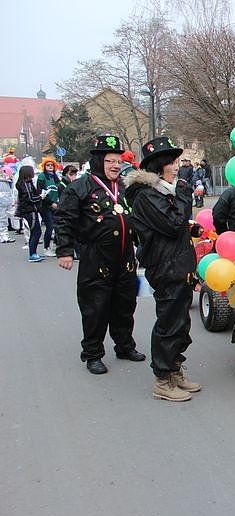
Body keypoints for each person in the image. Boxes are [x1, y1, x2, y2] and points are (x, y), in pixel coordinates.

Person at [54, 134, 145, 375]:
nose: (115, 165)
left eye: (118, 160)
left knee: (125, 305)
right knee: (95, 307)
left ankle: (124, 345)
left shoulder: (126, 187)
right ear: (97, 162)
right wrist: (64, 251)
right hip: (96, 257)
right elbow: (64, 219)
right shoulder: (80, 187)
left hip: (126, 257)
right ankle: (93, 353)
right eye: (109, 161)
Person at [124, 136, 202, 402]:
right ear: (159, 167)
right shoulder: (147, 195)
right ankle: (162, 378)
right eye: (172, 162)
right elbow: (171, 224)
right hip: (166, 268)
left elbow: (176, 226)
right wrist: (183, 195)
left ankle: (175, 369)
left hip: (178, 264)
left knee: (181, 322)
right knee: (169, 323)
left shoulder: (164, 192)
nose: (177, 167)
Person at [14, 165, 44, 262]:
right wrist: (40, 197)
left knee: (35, 231)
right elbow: (29, 198)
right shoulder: (25, 184)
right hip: (29, 210)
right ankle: (32, 254)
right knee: (36, 232)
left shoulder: (26, 183)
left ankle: (33, 253)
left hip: (29, 210)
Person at [37, 157, 61, 257]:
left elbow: (59, 190)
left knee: (57, 227)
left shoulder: (56, 177)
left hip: (56, 205)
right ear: (44, 166)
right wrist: (51, 203)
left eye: (52, 165)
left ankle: (55, 246)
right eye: (48, 165)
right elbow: (41, 192)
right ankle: (46, 248)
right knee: (50, 227)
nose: (50, 167)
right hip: (45, 206)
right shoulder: (42, 176)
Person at [0, 165, 15, 244]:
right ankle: (3, 236)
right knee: (2, 219)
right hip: (3, 203)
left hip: (6, 203)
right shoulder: (3, 182)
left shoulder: (7, 182)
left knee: (4, 219)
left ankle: (4, 235)